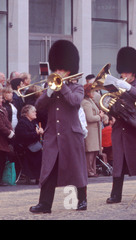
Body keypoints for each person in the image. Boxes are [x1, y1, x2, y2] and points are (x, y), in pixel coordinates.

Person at [30, 40, 88, 213]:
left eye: (60, 70)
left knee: (76, 168)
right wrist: (48, 91)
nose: (57, 72)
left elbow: (74, 102)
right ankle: (44, 204)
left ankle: (82, 200)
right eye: (55, 69)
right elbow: (39, 106)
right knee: (48, 169)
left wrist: (61, 87)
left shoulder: (77, 87)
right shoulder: (51, 88)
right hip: (52, 135)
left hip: (71, 134)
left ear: (69, 70)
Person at [105, 47, 136, 204]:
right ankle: (116, 194)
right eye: (122, 72)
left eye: (126, 73)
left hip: (134, 130)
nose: (123, 75)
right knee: (118, 163)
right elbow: (110, 108)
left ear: (134, 72)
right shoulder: (117, 86)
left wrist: (127, 89)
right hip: (119, 129)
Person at [82, 83, 106, 177]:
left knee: (94, 151)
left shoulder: (90, 101)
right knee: (90, 152)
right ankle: (89, 171)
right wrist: (99, 116)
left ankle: (93, 170)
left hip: (94, 130)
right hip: (90, 130)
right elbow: (89, 117)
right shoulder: (85, 102)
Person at [14, 105, 43, 183]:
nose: (35, 113)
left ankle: (40, 176)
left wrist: (40, 132)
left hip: (33, 145)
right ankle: (38, 177)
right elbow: (23, 136)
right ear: (27, 113)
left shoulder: (33, 122)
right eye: (33, 112)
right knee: (39, 154)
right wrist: (36, 133)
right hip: (25, 147)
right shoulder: (22, 123)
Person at [0, 93, 15, 185]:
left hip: (4, 138)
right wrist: (9, 133)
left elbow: (7, 122)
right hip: (1, 138)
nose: (1, 100)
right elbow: (1, 126)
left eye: (1, 98)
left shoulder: (3, 109)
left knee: (2, 160)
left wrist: (11, 130)